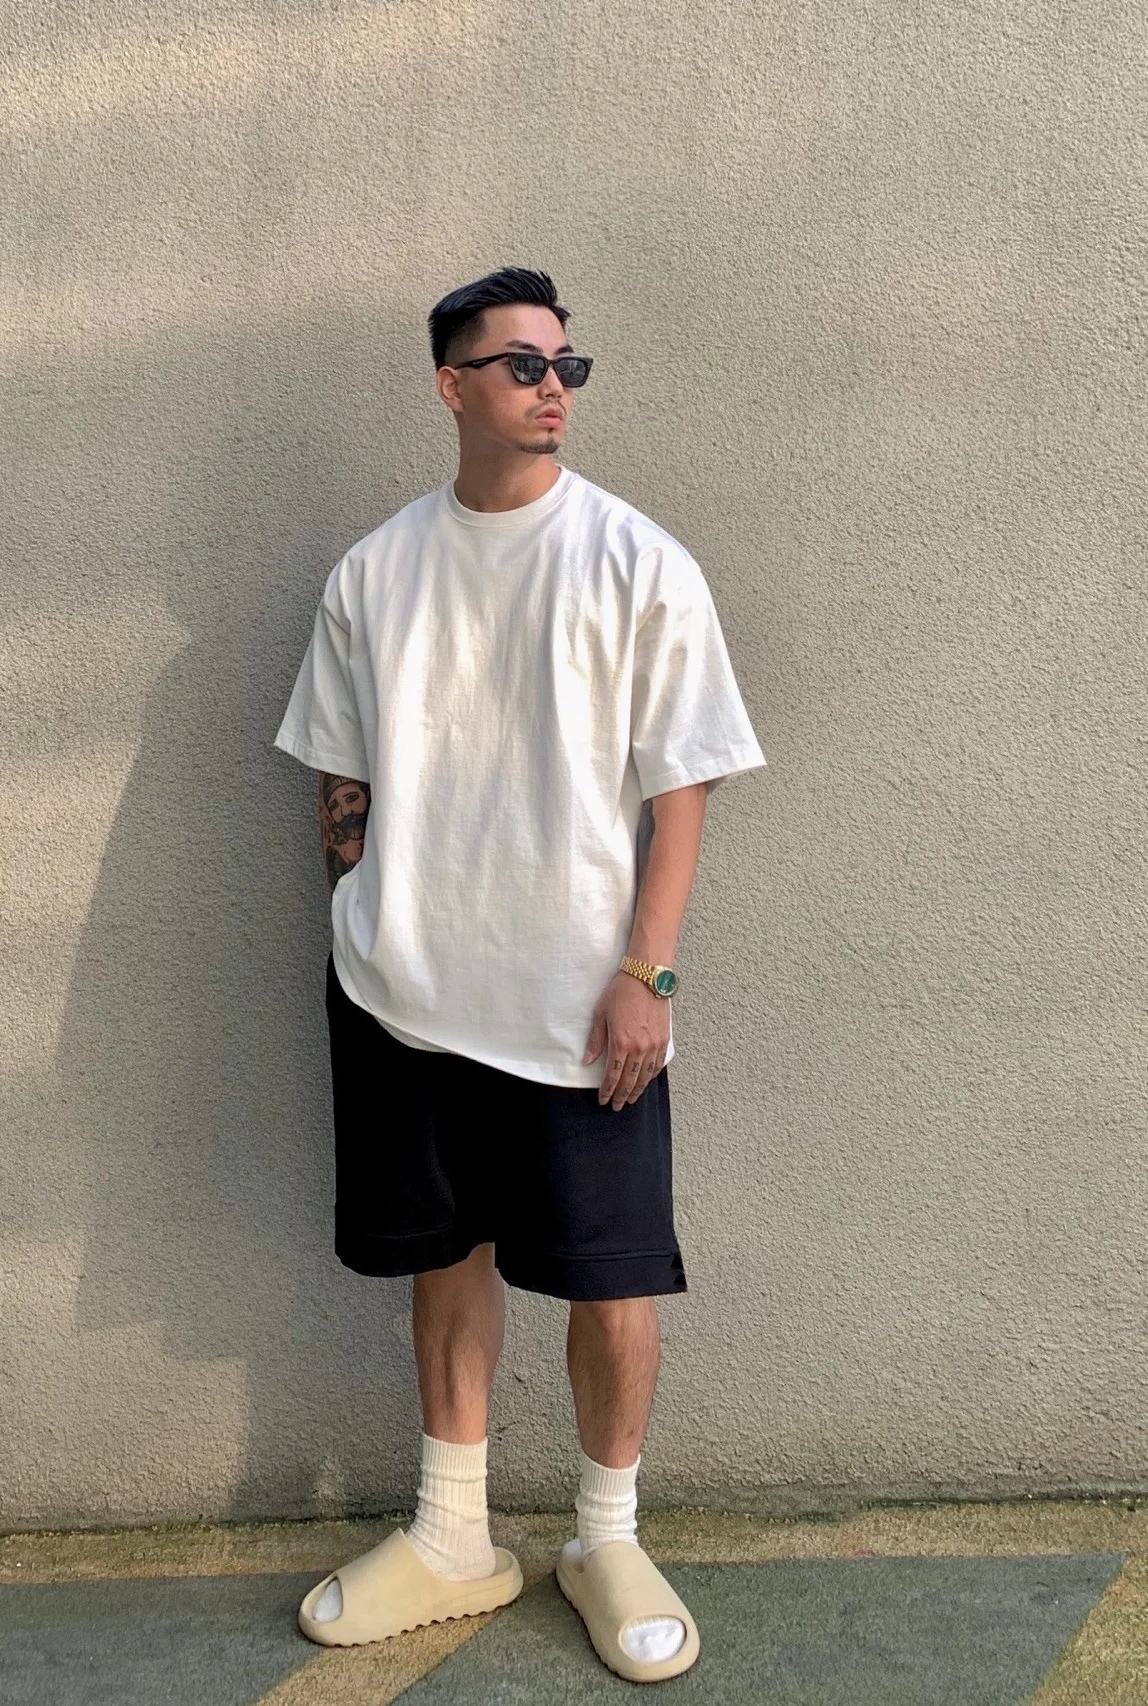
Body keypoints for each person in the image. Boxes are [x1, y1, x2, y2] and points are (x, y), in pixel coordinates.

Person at [273, 266, 766, 1684]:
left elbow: (683, 788)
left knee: (613, 1279)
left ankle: (607, 1539)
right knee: (445, 1259)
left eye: (567, 365)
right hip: (403, 993)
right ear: (452, 386)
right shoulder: (375, 571)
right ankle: (452, 1535)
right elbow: (341, 771)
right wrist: (362, 912)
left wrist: (648, 974)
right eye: (522, 364)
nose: (554, 386)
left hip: (581, 1000)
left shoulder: (636, 561)